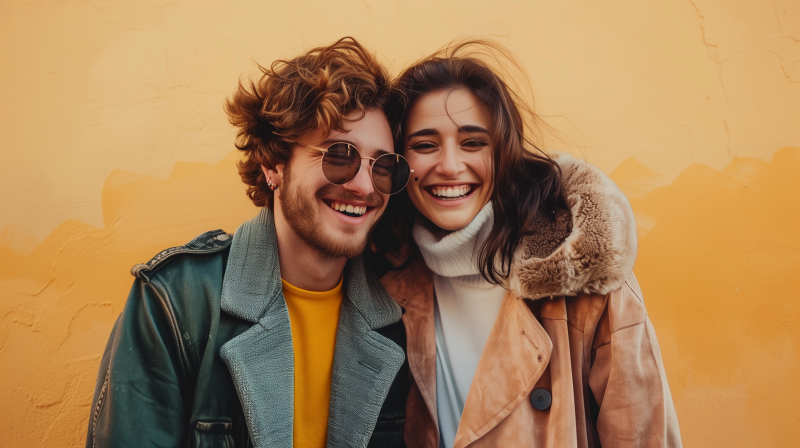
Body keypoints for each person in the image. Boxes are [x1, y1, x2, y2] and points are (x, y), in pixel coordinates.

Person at [86, 37, 414, 448]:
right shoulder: (176, 302)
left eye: (383, 167)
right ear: (273, 162)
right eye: (338, 155)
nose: (365, 186)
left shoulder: (399, 315)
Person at [374, 40, 682, 447]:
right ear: (399, 161)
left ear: (504, 152)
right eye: (425, 145)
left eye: (473, 142)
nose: (449, 166)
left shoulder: (587, 281)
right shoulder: (382, 278)